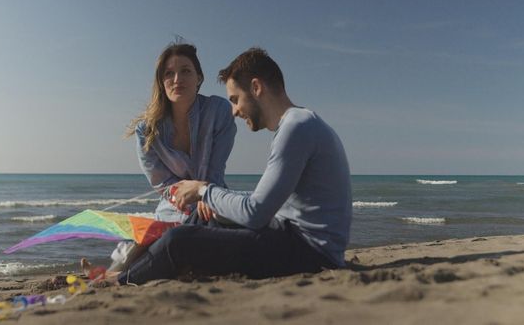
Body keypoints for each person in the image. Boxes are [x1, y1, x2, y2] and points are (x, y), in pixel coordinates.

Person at [116, 47, 352, 285]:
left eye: (235, 99)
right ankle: (130, 267)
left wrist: (203, 191)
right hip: (295, 238)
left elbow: (255, 212)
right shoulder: (300, 122)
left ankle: (120, 281)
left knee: (179, 240)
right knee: (211, 220)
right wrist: (215, 201)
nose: (235, 111)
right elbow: (264, 205)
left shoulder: (295, 128)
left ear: (256, 87)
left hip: (310, 252)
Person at [82, 42, 237, 275]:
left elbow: (215, 169)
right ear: (161, 82)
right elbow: (162, 184)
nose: (177, 79)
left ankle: (116, 273)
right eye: (169, 74)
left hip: (211, 199)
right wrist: (187, 203)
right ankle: (115, 271)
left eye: (185, 71)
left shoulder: (219, 111)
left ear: (199, 78)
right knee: (157, 231)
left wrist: (206, 194)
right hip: (174, 205)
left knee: (211, 228)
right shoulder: (147, 129)